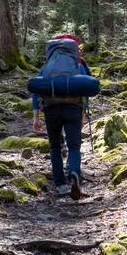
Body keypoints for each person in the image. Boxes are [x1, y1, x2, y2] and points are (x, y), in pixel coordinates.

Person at [32, 34, 89, 200]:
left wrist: (36, 117)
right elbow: (85, 93)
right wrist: (83, 115)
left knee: (55, 147)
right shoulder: (79, 67)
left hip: (51, 111)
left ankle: (60, 184)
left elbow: (36, 93)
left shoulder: (46, 68)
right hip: (74, 110)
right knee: (74, 146)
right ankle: (73, 173)